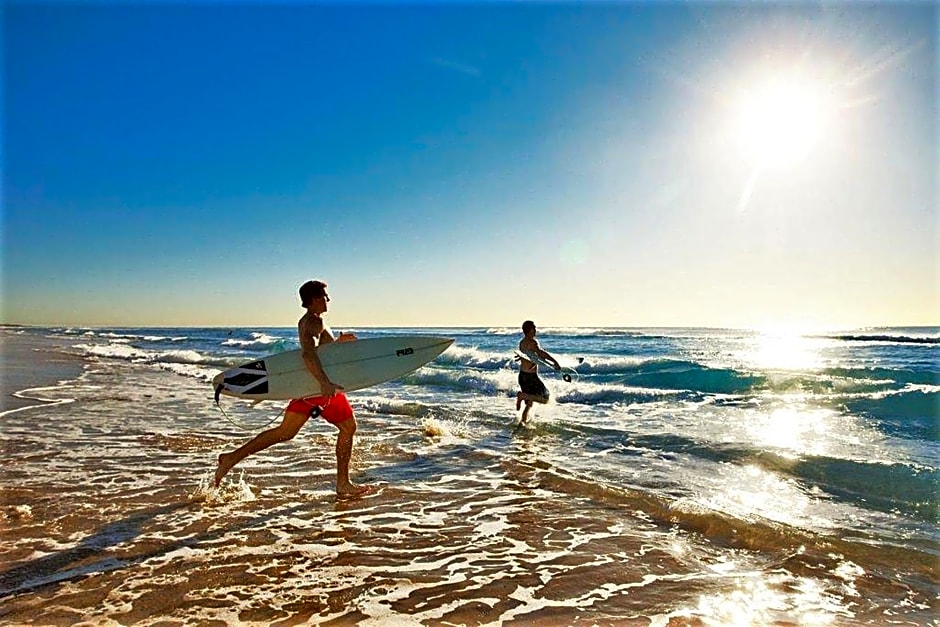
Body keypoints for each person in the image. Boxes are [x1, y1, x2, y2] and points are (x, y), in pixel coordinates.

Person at [215, 280, 371, 498]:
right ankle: (343, 484)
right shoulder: (314, 322)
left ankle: (231, 458)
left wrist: (337, 343)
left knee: (285, 432)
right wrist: (325, 383)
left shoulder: (308, 321)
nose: (328, 300)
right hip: (320, 387)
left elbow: (320, 352)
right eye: (325, 296)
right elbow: (308, 354)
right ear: (316, 299)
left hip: (308, 386)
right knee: (348, 428)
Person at [516, 320, 561, 424]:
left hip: (522, 375)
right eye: (534, 328)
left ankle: (522, 422)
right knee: (545, 398)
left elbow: (529, 356)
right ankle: (522, 396)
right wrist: (555, 362)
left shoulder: (522, 342)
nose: (535, 330)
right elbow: (541, 353)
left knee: (530, 403)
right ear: (530, 330)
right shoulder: (532, 342)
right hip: (530, 377)